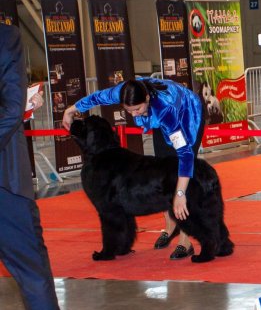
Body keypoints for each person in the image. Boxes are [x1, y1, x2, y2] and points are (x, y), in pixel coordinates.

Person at [0, 23, 87, 310]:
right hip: (5, 182)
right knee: (33, 270)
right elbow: (8, 108)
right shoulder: (6, 37)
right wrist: (23, 108)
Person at [62, 77, 205, 260]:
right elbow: (97, 97)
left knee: (176, 175)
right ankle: (170, 227)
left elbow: (186, 155)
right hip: (159, 111)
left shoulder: (166, 111)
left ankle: (185, 240)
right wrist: (70, 110)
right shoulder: (124, 92)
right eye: (129, 111)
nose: (135, 115)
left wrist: (180, 194)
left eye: (137, 109)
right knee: (162, 166)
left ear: (146, 98)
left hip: (186, 111)